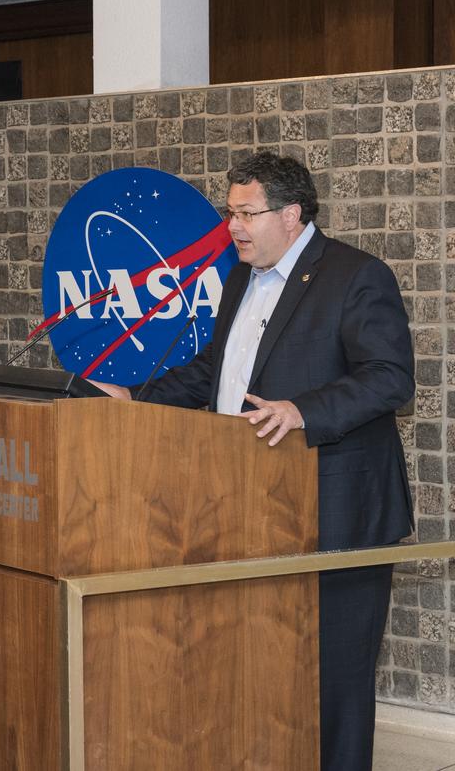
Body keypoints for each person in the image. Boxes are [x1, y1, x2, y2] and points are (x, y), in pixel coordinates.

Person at [90, 151, 413, 771]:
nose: (232, 227)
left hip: (337, 512)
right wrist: (135, 398)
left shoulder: (356, 276)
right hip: (252, 507)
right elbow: (217, 375)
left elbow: (391, 379)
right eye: (229, 211)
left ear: (292, 214)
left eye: (245, 213)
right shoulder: (239, 277)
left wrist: (303, 410)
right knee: (261, 671)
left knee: (333, 679)